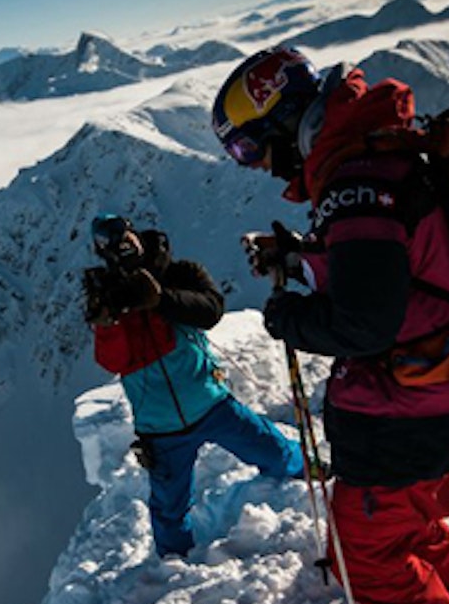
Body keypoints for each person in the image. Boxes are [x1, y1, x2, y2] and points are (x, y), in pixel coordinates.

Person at [210, 45, 449, 604]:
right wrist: (306, 260)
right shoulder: (386, 156)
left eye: (251, 148)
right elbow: (400, 267)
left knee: (366, 552)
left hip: (409, 408)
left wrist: (290, 319)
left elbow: (364, 322)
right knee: (411, 524)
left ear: (283, 120)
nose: (257, 166)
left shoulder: (354, 183)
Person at [83, 214, 304, 560]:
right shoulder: (111, 295)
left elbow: (210, 310)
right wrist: (107, 323)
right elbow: (115, 360)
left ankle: (314, 472)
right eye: (114, 244)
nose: (124, 246)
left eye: (125, 237)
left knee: (272, 449)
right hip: (161, 426)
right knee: (169, 509)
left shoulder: (179, 272)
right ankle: (175, 565)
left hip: (209, 402)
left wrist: (161, 299)